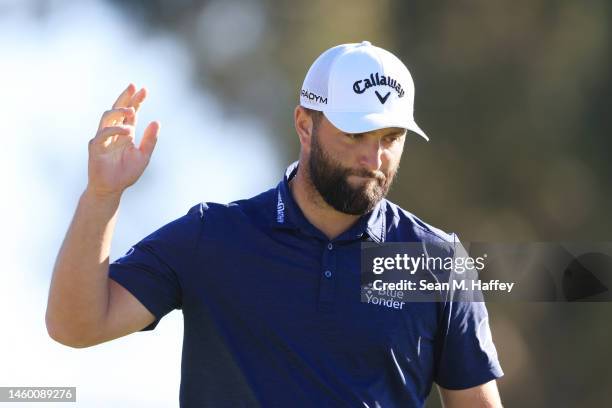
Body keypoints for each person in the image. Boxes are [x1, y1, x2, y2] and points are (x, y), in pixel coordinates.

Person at [46, 41, 504, 407]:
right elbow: (76, 326)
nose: (373, 158)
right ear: (305, 126)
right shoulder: (213, 239)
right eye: (355, 134)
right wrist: (102, 196)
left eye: (390, 138)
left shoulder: (434, 262)